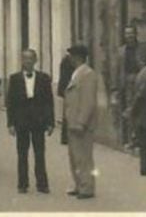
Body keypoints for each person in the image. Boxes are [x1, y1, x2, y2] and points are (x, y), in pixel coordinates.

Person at [6, 49, 55, 194]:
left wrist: (50, 122)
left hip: (38, 120)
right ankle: (22, 184)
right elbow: (10, 102)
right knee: (22, 153)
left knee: (39, 153)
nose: (28, 61)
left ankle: (42, 184)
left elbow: (49, 101)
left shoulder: (44, 78)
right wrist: (10, 123)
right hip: (21, 120)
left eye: (31, 59)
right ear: (21, 60)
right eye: (25, 59)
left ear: (36, 61)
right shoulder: (14, 79)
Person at [64, 44, 99, 200]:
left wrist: (81, 122)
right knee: (75, 156)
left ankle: (87, 188)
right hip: (73, 121)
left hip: (80, 123)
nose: (69, 58)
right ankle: (79, 184)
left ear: (77, 57)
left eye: (71, 56)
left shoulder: (88, 74)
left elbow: (88, 101)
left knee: (84, 157)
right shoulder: (77, 73)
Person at [116, 26, 146, 148]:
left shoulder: (143, 48)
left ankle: (142, 138)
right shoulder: (121, 51)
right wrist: (116, 87)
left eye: (131, 33)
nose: (129, 36)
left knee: (141, 109)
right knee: (130, 110)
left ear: (136, 34)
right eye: (127, 34)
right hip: (127, 82)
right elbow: (118, 69)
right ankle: (132, 138)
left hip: (140, 80)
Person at [56, 52, 74, 146]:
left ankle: (65, 137)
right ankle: (66, 137)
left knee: (67, 113)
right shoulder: (68, 61)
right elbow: (66, 77)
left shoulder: (66, 60)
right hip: (69, 89)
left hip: (66, 89)